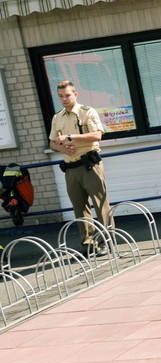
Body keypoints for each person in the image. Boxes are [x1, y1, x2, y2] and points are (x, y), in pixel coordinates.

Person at [48, 81, 112, 257]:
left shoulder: (87, 112)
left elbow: (97, 135)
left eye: (67, 95)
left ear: (75, 94)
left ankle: (107, 241)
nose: (64, 99)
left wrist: (70, 137)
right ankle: (88, 244)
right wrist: (62, 148)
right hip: (71, 168)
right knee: (79, 208)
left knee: (101, 204)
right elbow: (52, 143)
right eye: (60, 96)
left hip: (90, 165)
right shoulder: (57, 117)